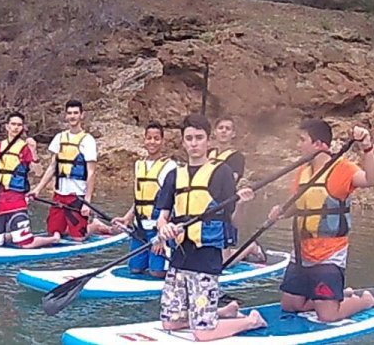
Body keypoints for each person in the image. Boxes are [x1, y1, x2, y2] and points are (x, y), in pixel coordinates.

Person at [153, 113, 266, 341]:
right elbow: (162, 218)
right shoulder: (175, 175)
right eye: (189, 138)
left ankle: (251, 320)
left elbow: (233, 222)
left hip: (205, 258)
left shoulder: (221, 173)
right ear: (183, 141)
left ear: (208, 140)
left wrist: (242, 204)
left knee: (202, 335)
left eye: (199, 138)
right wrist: (164, 229)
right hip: (179, 257)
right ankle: (224, 312)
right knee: (169, 323)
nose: (194, 143)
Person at [267, 119, 374, 323]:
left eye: (302, 140)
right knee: (290, 305)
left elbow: (371, 180)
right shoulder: (303, 172)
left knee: (328, 316)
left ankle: (364, 300)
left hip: (329, 253)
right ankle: (338, 296)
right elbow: (299, 205)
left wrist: (367, 147)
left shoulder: (342, 169)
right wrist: (281, 212)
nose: (298, 145)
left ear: (319, 144)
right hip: (302, 252)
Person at [0, 112, 61, 249]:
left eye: (19, 125)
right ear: (7, 126)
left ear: (23, 128)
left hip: (16, 199)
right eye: (13, 124)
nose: (15, 127)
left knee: (26, 244)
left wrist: (34, 151)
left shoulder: (26, 147)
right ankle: (14, 234)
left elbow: (37, 172)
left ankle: (53, 239)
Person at [111, 122, 176, 278]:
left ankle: (171, 264)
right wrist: (127, 218)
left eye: (156, 138)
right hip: (139, 227)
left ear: (162, 141)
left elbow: (171, 202)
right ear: (144, 140)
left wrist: (162, 236)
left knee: (156, 272)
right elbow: (139, 198)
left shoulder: (170, 166)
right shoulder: (139, 165)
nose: (152, 142)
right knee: (134, 270)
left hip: (157, 228)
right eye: (149, 138)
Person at [30, 99, 97, 241]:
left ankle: (94, 226)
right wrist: (37, 189)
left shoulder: (88, 140)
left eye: (75, 113)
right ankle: (68, 226)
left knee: (78, 239)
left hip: (77, 196)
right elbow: (52, 167)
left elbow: (91, 172)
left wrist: (87, 201)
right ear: (66, 116)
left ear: (81, 115)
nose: (72, 116)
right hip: (59, 195)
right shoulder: (59, 138)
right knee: (53, 233)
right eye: (70, 113)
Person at [208, 117, 266, 264]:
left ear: (233, 134)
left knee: (223, 261)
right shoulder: (208, 154)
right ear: (214, 132)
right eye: (221, 128)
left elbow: (231, 180)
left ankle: (250, 247)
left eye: (228, 129)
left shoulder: (236, 157)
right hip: (205, 202)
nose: (224, 131)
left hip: (224, 203)